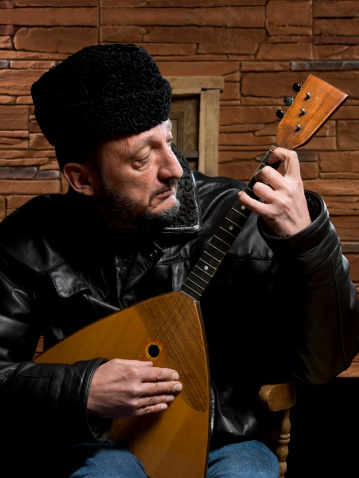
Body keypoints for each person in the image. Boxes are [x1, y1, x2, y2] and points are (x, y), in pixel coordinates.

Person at [0, 43, 358, 478]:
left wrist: (307, 241)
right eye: (142, 158)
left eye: (170, 141)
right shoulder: (32, 238)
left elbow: (322, 365)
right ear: (82, 179)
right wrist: (81, 388)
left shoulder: (238, 216)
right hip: (100, 442)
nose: (175, 168)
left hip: (228, 440)